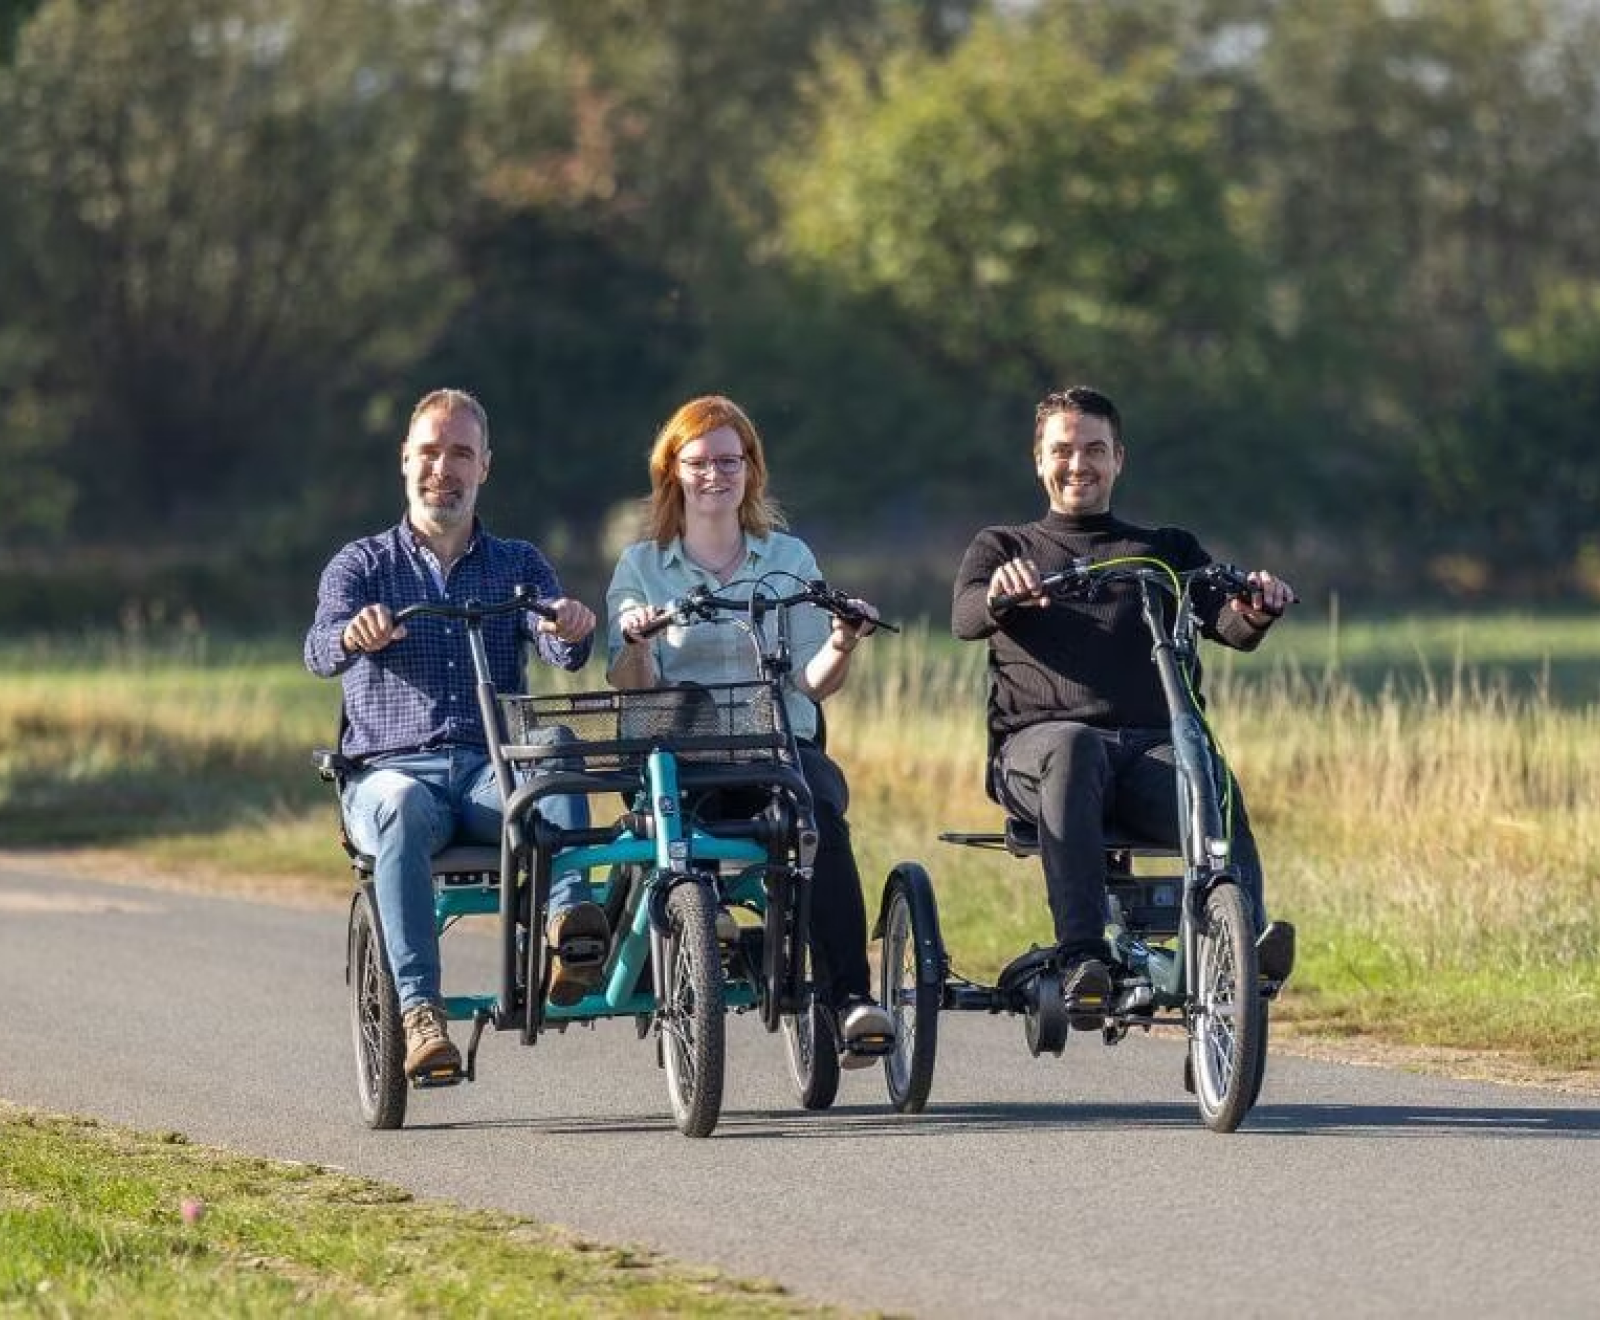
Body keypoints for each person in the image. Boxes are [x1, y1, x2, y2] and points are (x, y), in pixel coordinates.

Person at [952, 385, 1295, 1020]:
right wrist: (1002, 595)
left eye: (1094, 450)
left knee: (1207, 776)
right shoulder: (1005, 547)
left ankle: (1243, 941)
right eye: (1063, 450)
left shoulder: (1166, 550)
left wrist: (1255, 608)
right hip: (1039, 752)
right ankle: (1083, 955)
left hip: (1145, 753)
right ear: (1038, 460)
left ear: (1118, 460)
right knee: (1076, 746)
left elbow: (1229, 624)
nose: (1078, 464)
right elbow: (967, 617)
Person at [305, 388, 602, 1081]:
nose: (445, 468)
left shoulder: (519, 564)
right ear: (405, 460)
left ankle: (572, 933)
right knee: (404, 805)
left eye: (461, 453)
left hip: (488, 776)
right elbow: (318, 649)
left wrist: (570, 628)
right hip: (392, 775)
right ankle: (419, 1014)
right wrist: (353, 633)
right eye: (431, 452)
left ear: (485, 467)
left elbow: (556, 641)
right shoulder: (362, 565)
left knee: (556, 749)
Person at [605, 394, 894, 1064]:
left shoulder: (789, 558)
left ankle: (851, 1000)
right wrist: (640, 640)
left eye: (730, 460)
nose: (716, 474)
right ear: (672, 470)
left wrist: (845, 641)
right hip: (682, 755)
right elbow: (627, 680)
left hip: (778, 749)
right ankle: (709, 935)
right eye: (700, 460)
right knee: (680, 834)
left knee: (820, 814)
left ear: (751, 470)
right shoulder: (642, 566)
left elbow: (812, 683)